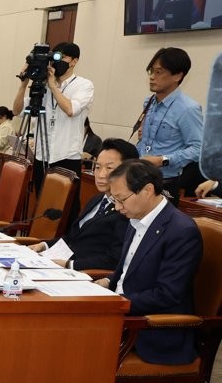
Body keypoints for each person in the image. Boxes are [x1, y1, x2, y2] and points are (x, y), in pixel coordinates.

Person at [96, 159, 202, 365]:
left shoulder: (181, 231)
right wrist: (107, 282)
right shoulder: (136, 217)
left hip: (150, 327)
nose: (117, 207)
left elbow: (168, 294)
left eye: (121, 199)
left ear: (147, 190)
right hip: (123, 313)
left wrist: (118, 304)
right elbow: (128, 271)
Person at [30, 138, 138, 270]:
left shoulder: (128, 210)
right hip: (59, 266)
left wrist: (70, 265)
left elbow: (114, 259)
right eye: (98, 167)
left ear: (129, 170)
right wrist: (44, 245)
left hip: (84, 274)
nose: (101, 174)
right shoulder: (97, 200)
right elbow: (73, 237)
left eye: (109, 168)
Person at [12, 42, 94, 196]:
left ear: (74, 61)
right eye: (55, 57)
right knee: (41, 203)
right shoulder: (43, 84)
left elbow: (70, 109)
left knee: (66, 209)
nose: (57, 61)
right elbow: (17, 111)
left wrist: (53, 87)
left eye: (62, 57)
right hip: (41, 155)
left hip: (67, 156)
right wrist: (23, 85)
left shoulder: (84, 85)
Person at [136, 47, 203, 198]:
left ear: (177, 76)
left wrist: (162, 160)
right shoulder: (149, 102)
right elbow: (145, 141)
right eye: (151, 71)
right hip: (139, 176)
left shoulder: (188, 109)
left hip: (165, 182)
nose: (152, 77)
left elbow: (199, 149)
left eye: (158, 72)